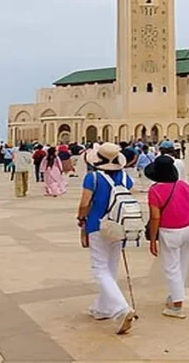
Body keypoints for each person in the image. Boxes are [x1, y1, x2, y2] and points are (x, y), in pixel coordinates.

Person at [76, 143, 136, 335]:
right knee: (111, 268)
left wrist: (81, 218)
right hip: (119, 227)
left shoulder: (92, 177)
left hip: (98, 225)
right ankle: (101, 309)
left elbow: (85, 203)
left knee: (100, 269)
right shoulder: (126, 178)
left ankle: (121, 309)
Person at [146, 155, 189, 319]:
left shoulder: (155, 190)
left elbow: (155, 217)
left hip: (170, 231)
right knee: (183, 263)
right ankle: (175, 294)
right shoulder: (184, 185)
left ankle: (176, 305)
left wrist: (153, 239)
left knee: (171, 267)